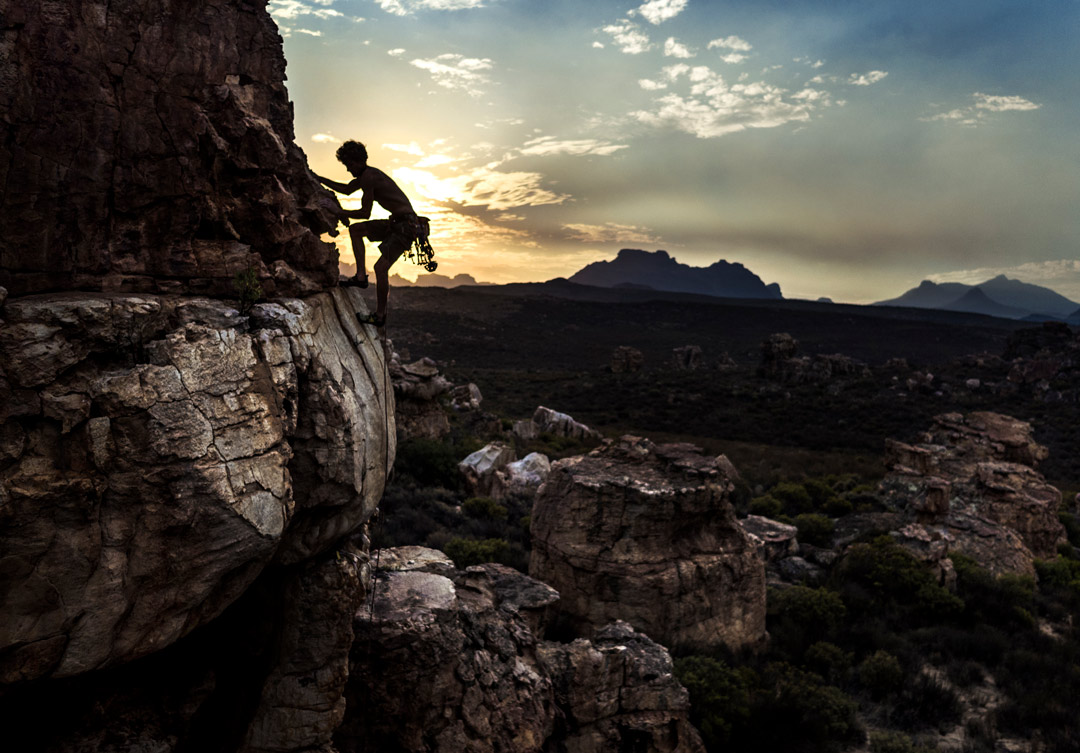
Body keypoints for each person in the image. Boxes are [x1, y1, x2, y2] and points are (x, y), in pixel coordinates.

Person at [313, 140, 420, 327]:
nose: (348, 170)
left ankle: (380, 316)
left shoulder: (369, 177)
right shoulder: (366, 175)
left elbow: (365, 213)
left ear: (358, 161)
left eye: (349, 165)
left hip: (406, 227)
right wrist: (318, 179)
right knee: (355, 230)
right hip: (397, 223)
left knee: (380, 268)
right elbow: (346, 190)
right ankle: (361, 276)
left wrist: (338, 212)